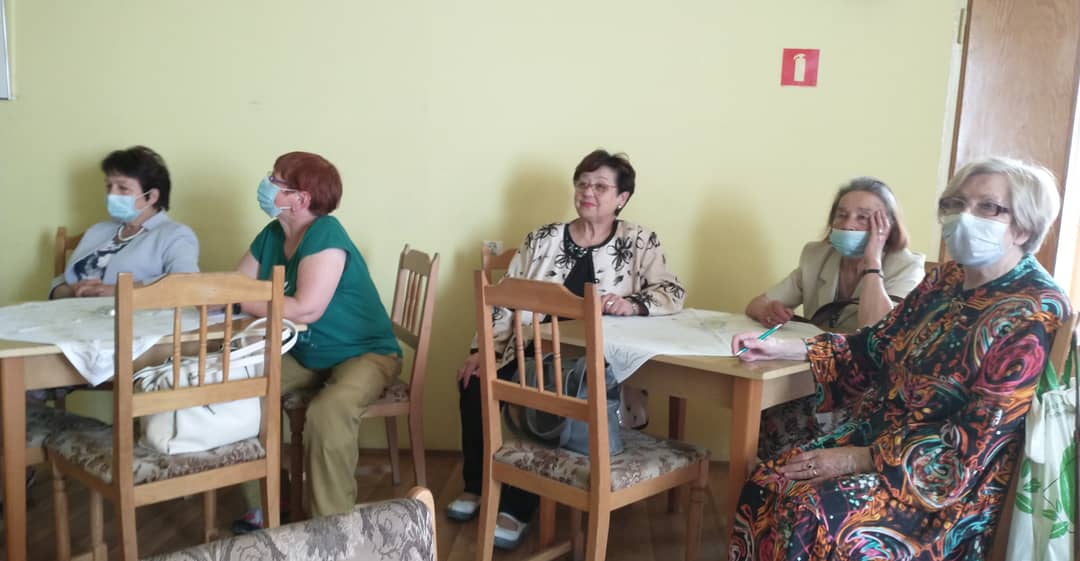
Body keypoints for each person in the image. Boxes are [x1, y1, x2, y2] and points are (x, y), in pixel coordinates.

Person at [728, 156, 1070, 560]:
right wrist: (784, 347)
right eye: (957, 204)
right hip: (878, 439)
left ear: (1024, 226)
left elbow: (977, 441)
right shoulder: (945, 279)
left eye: (988, 207)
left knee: (812, 511)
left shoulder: (1034, 308)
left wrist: (856, 459)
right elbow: (877, 343)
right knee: (767, 481)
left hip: (940, 484)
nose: (965, 216)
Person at [448, 149, 686, 549]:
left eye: (600, 186)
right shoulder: (542, 239)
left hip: (596, 365)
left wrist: (633, 304)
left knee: (547, 395)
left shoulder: (639, 241)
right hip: (530, 350)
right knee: (474, 381)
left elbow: (672, 291)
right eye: (582, 184)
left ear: (622, 197)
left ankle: (518, 506)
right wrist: (481, 350)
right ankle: (477, 485)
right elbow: (503, 300)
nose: (588, 192)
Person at [232, 152, 401, 533]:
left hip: (365, 352)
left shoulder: (326, 234)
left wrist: (242, 301)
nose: (266, 185)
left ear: (301, 198)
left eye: (275, 180)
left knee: (328, 411)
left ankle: (331, 530)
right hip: (306, 352)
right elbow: (235, 284)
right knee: (244, 389)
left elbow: (305, 309)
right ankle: (269, 503)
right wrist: (227, 295)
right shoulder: (273, 234)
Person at [748, 177, 925, 459]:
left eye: (863, 218)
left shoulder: (907, 266)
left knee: (786, 418)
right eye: (841, 215)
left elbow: (876, 332)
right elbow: (757, 303)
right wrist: (768, 311)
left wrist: (872, 264)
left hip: (865, 386)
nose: (848, 225)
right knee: (760, 408)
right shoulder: (817, 255)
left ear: (887, 226)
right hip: (810, 373)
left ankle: (789, 478)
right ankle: (769, 479)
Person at [50, 145, 199, 299]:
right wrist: (75, 291)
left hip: (130, 313)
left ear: (152, 196)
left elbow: (184, 283)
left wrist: (113, 291)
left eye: (122, 187)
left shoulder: (175, 234)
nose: (111, 194)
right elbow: (57, 286)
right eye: (109, 186)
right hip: (71, 310)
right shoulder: (98, 230)